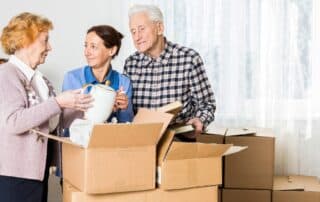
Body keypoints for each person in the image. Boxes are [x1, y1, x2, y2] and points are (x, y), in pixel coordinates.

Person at [0, 12, 92, 202]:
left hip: (37, 172)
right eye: (45, 41)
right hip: (16, 176)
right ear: (25, 41)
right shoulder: (6, 74)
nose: (49, 47)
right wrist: (58, 102)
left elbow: (52, 121)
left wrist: (85, 103)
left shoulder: (40, 79)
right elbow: (14, 121)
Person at [124, 4, 216, 141]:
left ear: (159, 28)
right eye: (133, 32)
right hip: (141, 142)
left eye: (141, 29)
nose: (137, 37)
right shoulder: (131, 64)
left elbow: (207, 105)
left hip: (179, 140)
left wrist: (199, 120)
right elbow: (126, 109)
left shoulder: (189, 59)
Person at [62, 25, 134, 124]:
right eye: (86, 46)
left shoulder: (124, 82)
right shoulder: (72, 78)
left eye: (93, 47)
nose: (87, 52)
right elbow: (65, 122)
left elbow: (127, 125)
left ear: (112, 50)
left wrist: (125, 107)